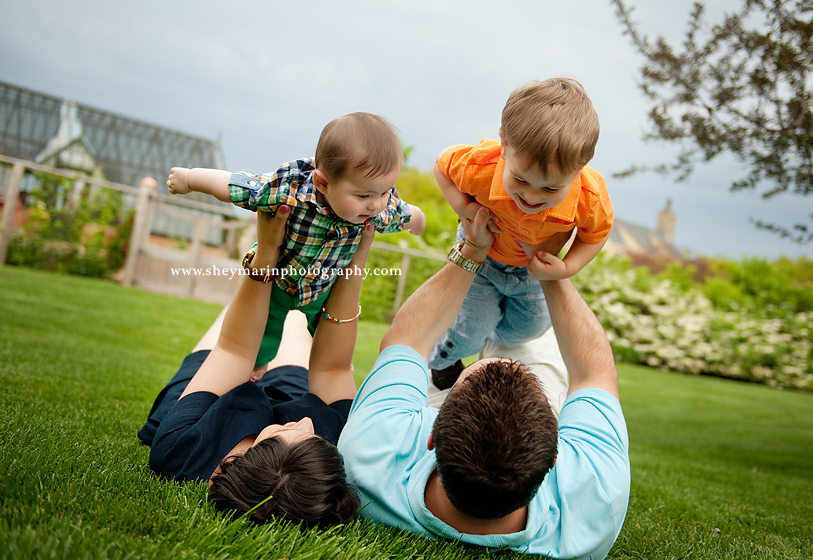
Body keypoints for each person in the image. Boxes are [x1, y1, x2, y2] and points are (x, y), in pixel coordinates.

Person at [337, 207, 630, 559]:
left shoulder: (371, 453)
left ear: (430, 432)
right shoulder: (594, 499)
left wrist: (472, 252)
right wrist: (550, 270)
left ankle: (459, 360)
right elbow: (594, 374)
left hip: (422, 426)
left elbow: (408, 340)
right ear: (555, 457)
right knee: (534, 339)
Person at [138, 205, 371, 527]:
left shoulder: (182, 449)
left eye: (291, 433)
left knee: (242, 317)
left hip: (208, 406)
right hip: (290, 394)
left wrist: (267, 251)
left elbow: (234, 350)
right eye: (315, 439)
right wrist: (353, 262)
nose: (304, 423)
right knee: (288, 320)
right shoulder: (339, 442)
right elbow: (333, 368)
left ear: (241, 459)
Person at [167, 112, 425, 375]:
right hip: (278, 282)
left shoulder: (378, 207)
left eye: (385, 191)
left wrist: (418, 221)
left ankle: (333, 369)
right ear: (323, 183)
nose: (376, 204)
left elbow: (405, 213)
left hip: (324, 290)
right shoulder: (289, 190)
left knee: (332, 338)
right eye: (363, 195)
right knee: (264, 327)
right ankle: (256, 365)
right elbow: (237, 185)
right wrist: (190, 179)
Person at [429, 77, 613, 388]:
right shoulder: (480, 165)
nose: (532, 196)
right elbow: (442, 166)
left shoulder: (588, 196)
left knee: (531, 327)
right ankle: (443, 360)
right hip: (482, 260)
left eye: (551, 188)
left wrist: (568, 266)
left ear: (582, 165)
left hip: (530, 272)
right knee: (470, 331)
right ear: (504, 144)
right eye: (521, 179)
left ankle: (487, 335)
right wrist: (465, 208)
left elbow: (596, 234)